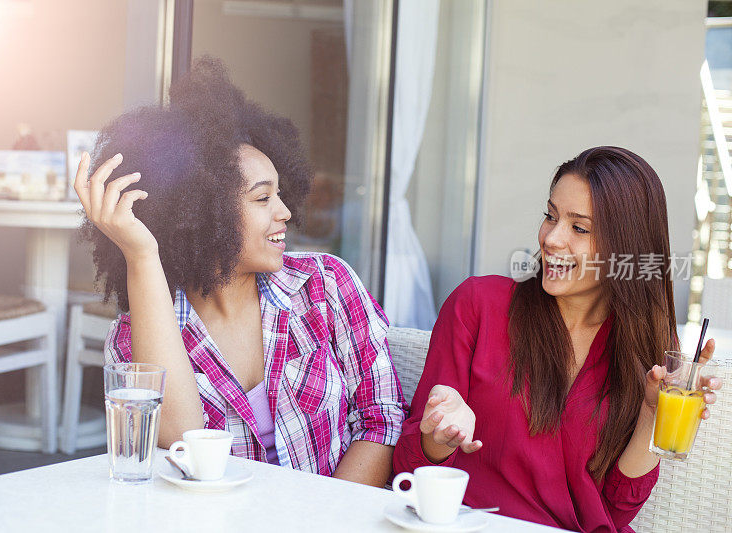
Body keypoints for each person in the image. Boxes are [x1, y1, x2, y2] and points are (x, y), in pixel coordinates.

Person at [74, 57, 407, 487]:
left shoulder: (326, 285)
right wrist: (141, 255)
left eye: (279, 194)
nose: (285, 212)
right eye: (262, 199)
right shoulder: (133, 338)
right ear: (202, 213)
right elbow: (178, 444)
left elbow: (381, 420)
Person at [392, 146, 723, 531]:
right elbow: (408, 468)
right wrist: (441, 436)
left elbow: (614, 513)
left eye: (579, 228)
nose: (551, 238)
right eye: (550, 216)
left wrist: (652, 413)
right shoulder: (478, 305)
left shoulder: (641, 346)